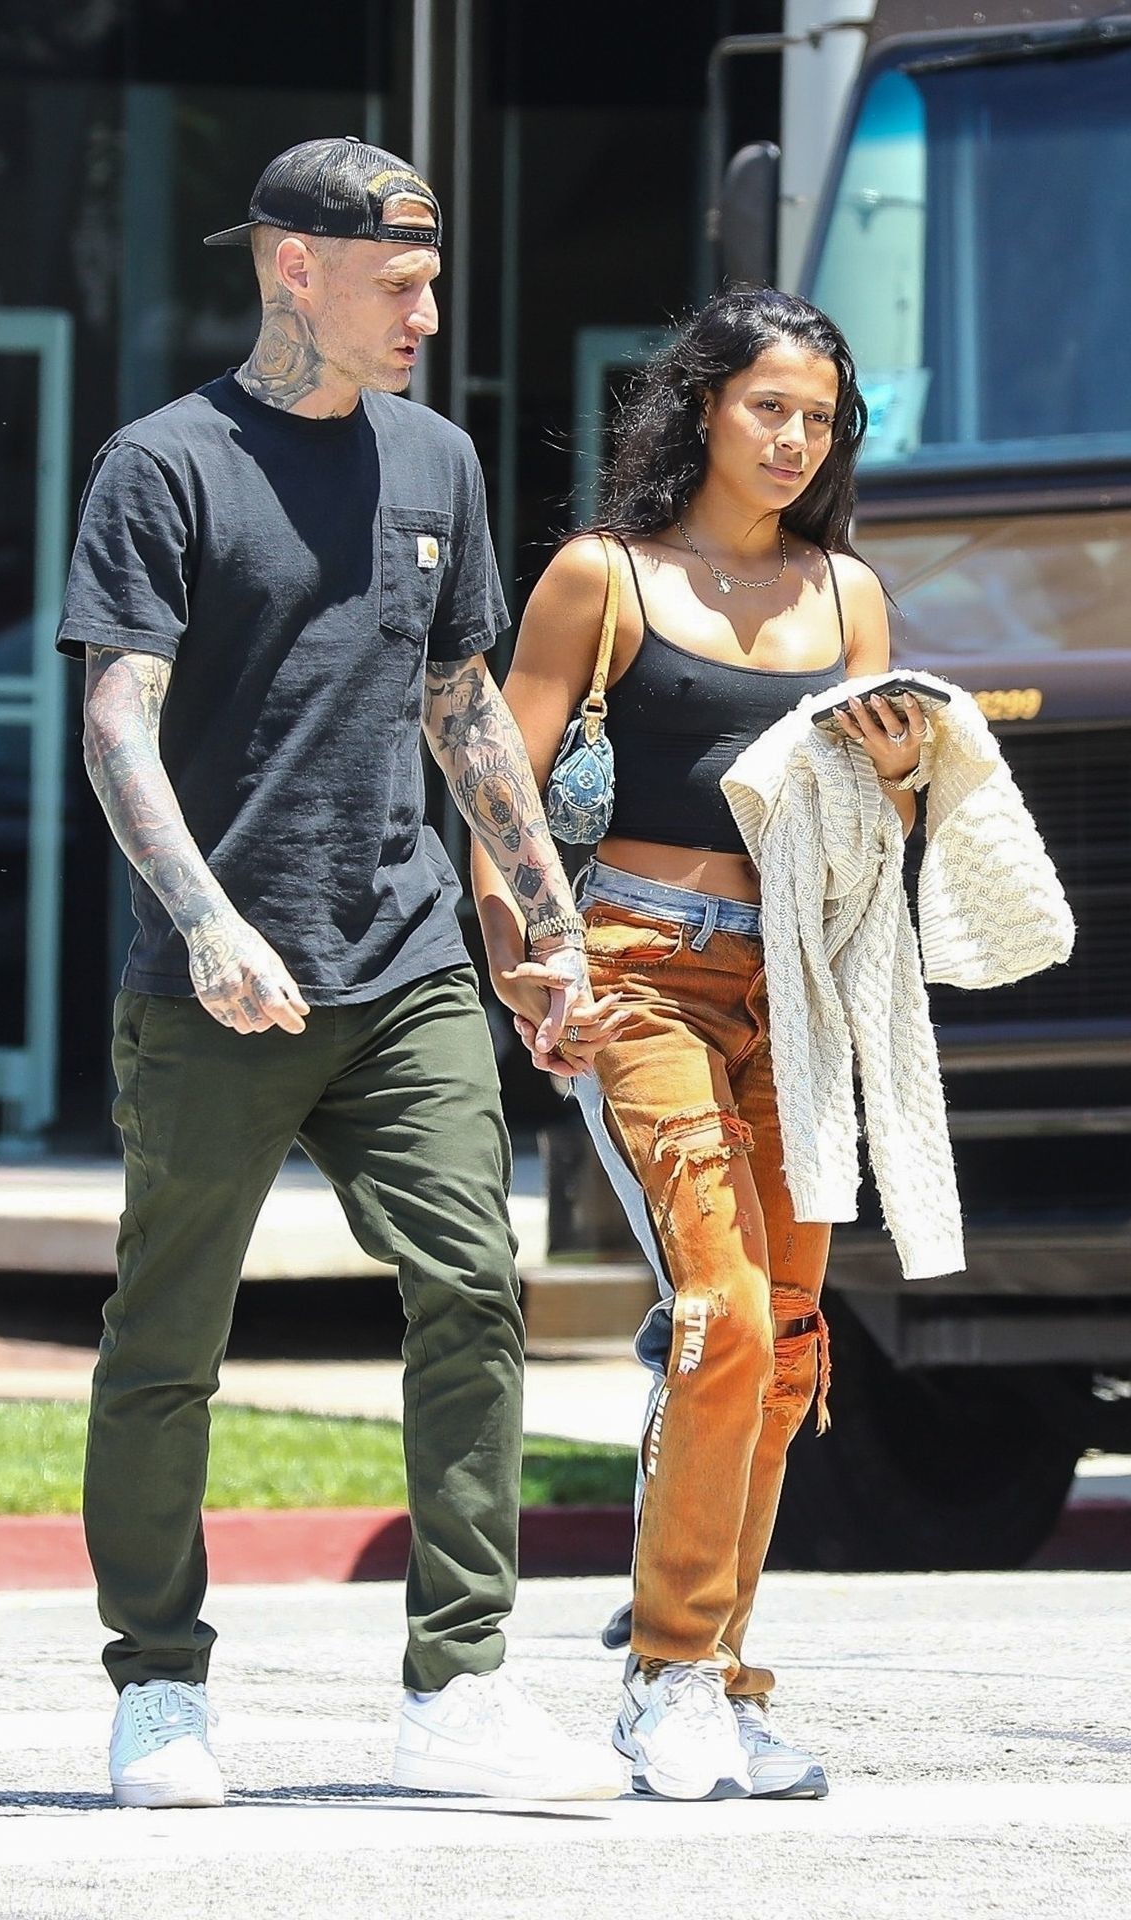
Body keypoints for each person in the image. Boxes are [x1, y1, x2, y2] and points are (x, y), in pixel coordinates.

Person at [55, 136, 624, 1810]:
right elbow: (116, 721)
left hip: (406, 962)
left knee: (475, 1288)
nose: (428, 317)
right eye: (402, 285)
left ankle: (460, 1685)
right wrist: (208, 918)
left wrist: (548, 933)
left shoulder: (436, 461)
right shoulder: (163, 466)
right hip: (215, 987)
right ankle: (160, 1687)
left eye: (432, 284)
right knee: (168, 1339)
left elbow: (463, 712)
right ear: (293, 269)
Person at [472, 287, 933, 1803]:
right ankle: (667, 1675)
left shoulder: (848, 598)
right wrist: (531, 965)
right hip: (636, 967)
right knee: (723, 1313)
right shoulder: (601, 577)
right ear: (704, 408)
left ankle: (722, 1679)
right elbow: (501, 793)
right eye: (768, 409)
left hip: (796, 983)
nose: (796, 440)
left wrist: (902, 774)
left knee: (788, 1338)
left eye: (822, 420)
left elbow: (876, 828)